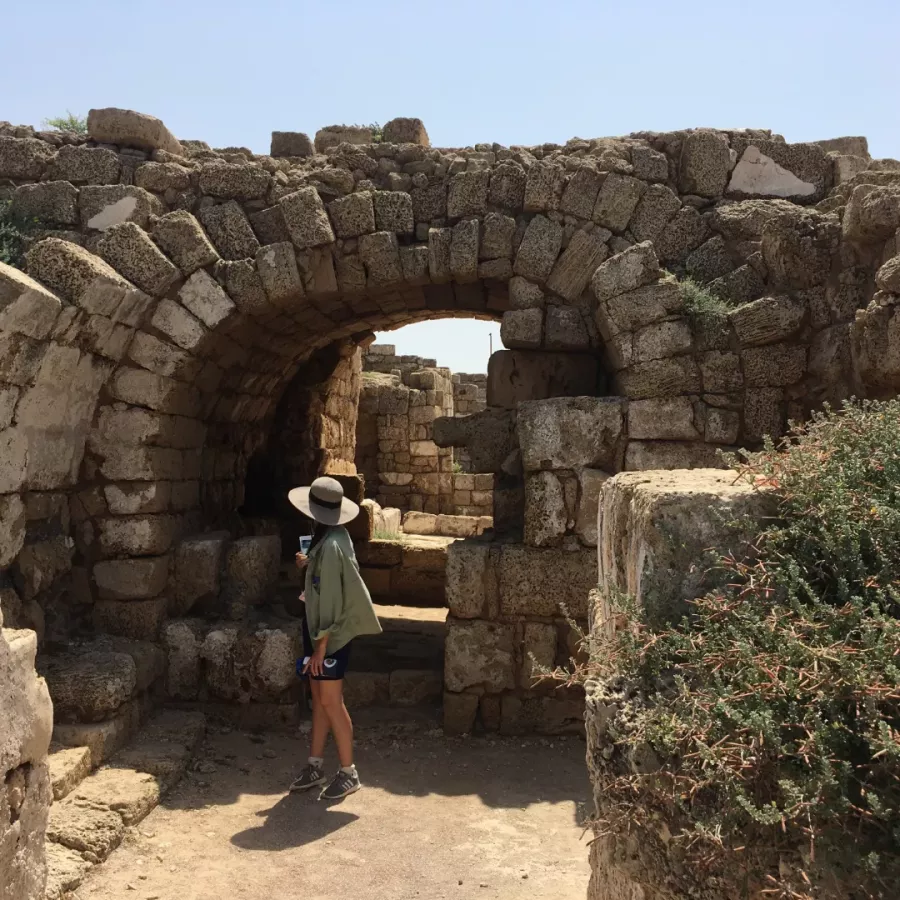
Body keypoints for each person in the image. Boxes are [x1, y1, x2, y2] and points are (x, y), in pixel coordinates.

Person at [287, 476, 382, 801]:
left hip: (327, 635)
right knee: (320, 698)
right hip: (319, 629)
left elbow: (329, 600)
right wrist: (308, 563)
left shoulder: (328, 547)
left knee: (330, 701)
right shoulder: (334, 536)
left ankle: (348, 772)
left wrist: (320, 648)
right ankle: (314, 765)